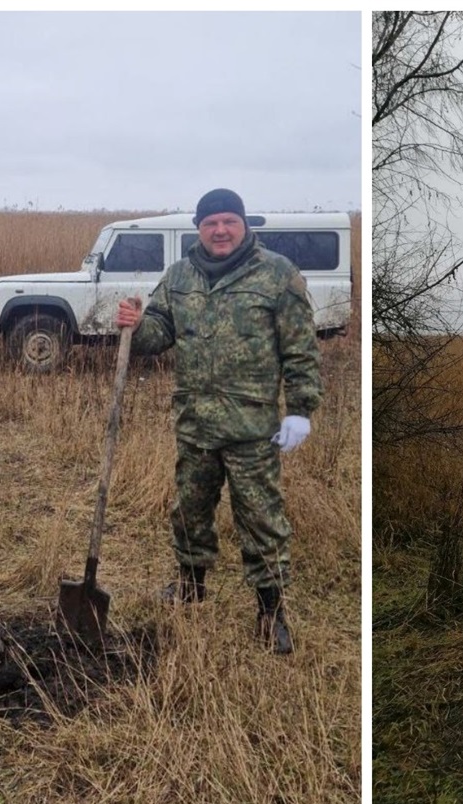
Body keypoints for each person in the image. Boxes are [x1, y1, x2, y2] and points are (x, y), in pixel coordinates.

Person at [115, 188, 322, 655]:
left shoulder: (276, 275)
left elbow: (301, 348)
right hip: (196, 427)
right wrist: (134, 322)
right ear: (199, 228)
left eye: (229, 221)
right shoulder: (180, 277)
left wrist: (301, 410)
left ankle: (272, 613)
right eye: (211, 223)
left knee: (262, 521)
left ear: (244, 225)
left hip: (253, 430)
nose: (220, 230)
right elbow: (157, 336)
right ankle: (190, 587)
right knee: (189, 512)